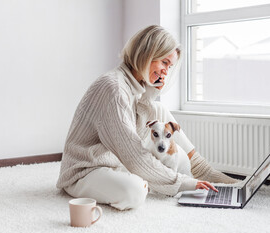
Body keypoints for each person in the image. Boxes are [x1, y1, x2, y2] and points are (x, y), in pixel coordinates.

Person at [56, 25, 238, 211]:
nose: (167, 71)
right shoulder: (114, 88)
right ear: (147, 54)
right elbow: (134, 155)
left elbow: (142, 123)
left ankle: (201, 168)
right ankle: (168, 177)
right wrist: (183, 182)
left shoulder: (132, 85)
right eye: (165, 62)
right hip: (85, 171)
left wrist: (151, 90)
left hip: (114, 163)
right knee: (134, 191)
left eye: (170, 66)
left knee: (158, 109)